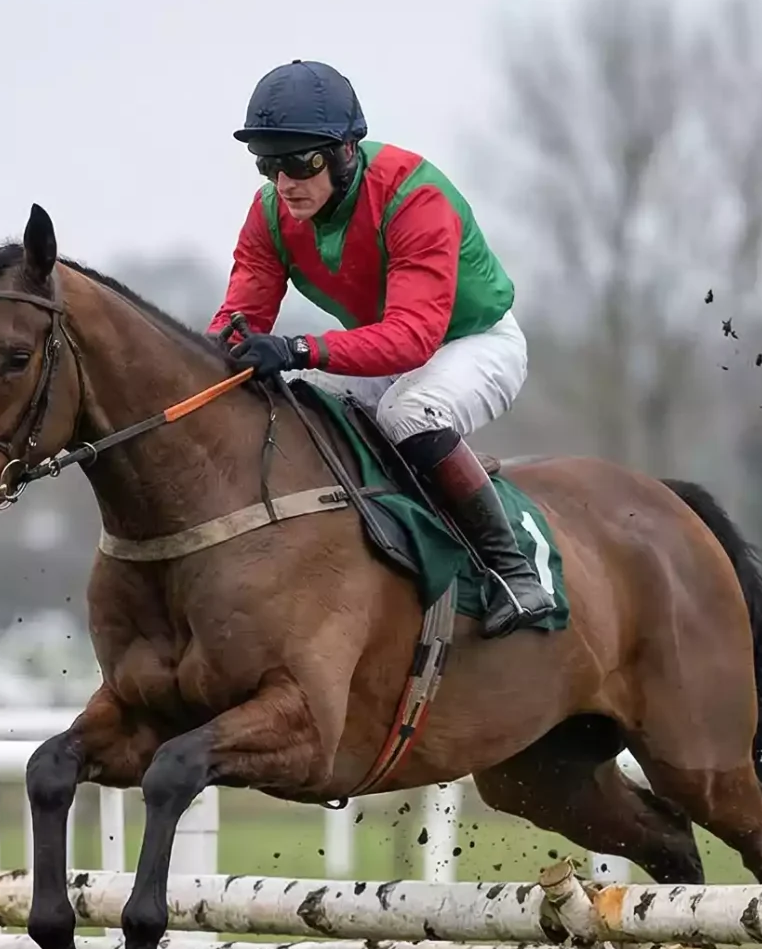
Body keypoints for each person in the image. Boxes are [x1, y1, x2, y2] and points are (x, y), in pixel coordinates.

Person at [208, 60, 552, 637]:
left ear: (346, 152)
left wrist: (296, 347)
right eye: (269, 164)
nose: (284, 182)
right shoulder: (271, 213)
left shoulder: (413, 197)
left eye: (301, 161)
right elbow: (236, 326)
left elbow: (414, 337)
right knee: (287, 402)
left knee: (408, 411)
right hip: (383, 351)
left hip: (473, 343)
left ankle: (512, 570)